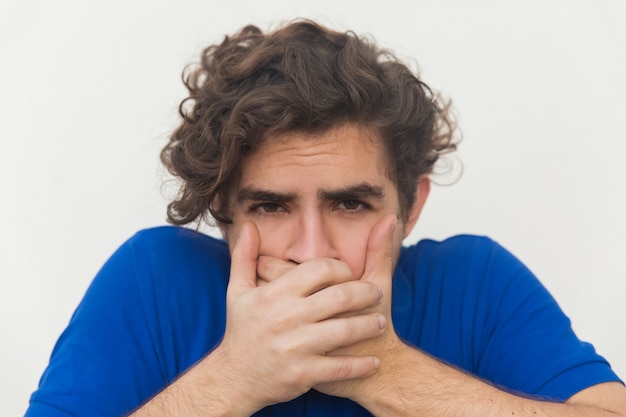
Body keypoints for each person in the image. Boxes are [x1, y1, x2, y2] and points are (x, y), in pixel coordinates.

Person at [25, 19, 625, 417]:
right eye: (270, 206)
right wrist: (235, 377)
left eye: (350, 204)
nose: (314, 251)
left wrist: (384, 371)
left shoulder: (474, 280)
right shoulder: (154, 277)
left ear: (411, 205)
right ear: (221, 209)